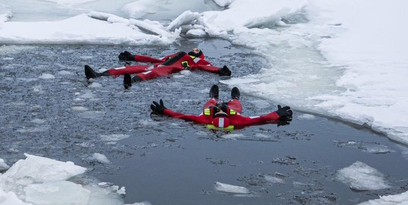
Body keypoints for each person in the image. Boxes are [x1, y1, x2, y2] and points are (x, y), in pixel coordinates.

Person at [150, 85, 293, 130]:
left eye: (219, 111)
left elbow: (180, 116)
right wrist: (277, 114)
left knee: (209, 104)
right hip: (232, 113)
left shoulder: (204, 118)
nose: (219, 109)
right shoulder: (239, 120)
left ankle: (213, 97)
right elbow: (261, 119)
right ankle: (235, 99)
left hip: (210, 112)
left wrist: (164, 111)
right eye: (220, 111)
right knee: (236, 106)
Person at [84, 48, 231, 89]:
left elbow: (206, 68)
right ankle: (100, 75)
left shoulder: (200, 61)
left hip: (170, 69)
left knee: (151, 73)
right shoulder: (177, 54)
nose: (195, 49)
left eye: (197, 49)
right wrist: (133, 57)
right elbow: (155, 59)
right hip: (158, 64)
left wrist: (219, 70)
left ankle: (131, 82)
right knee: (130, 68)